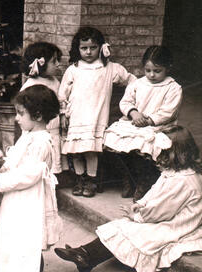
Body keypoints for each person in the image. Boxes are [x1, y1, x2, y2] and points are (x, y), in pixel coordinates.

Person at [56, 126, 202, 272]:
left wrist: (139, 216)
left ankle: (85, 256)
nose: (159, 157)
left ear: (176, 154)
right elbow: (156, 192)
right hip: (169, 215)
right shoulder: (176, 173)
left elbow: (162, 210)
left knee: (128, 229)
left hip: (178, 224)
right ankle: (84, 255)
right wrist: (140, 204)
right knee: (121, 226)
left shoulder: (183, 181)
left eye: (164, 153)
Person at [0, 85, 62, 272]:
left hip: (29, 200)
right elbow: (15, 161)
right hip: (17, 198)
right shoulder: (28, 136)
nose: (17, 118)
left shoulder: (42, 142)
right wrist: (0, 165)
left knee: (27, 242)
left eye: (20, 113)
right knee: (14, 240)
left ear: (37, 115)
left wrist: (1, 181)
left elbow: (30, 174)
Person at [58, 27, 135, 197]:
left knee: (91, 150)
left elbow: (132, 81)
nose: (88, 52)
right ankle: (80, 178)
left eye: (92, 47)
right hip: (76, 116)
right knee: (76, 151)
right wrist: (63, 113)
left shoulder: (109, 68)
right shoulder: (73, 69)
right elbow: (62, 94)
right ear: (77, 49)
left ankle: (91, 180)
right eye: (83, 48)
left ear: (101, 47)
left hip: (96, 116)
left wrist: (132, 101)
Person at [104, 46, 182, 200]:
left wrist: (148, 120)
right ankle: (128, 178)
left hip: (158, 126)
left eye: (157, 71)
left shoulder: (173, 88)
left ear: (168, 68)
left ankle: (143, 182)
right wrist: (134, 113)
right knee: (114, 137)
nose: (151, 75)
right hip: (135, 122)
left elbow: (168, 112)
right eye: (148, 70)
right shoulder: (138, 84)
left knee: (144, 144)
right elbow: (126, 102)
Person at [21, 41, 65, 174]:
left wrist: (62, 115)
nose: (58, 64)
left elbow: (61, 101)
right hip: (37, 130)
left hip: (54, 128)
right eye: (54, 61)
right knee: (38, 158)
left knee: (53, 153)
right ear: (41, 63)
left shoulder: (54, 81)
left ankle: (53, 179)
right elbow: (25, 110)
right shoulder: (30, 86)